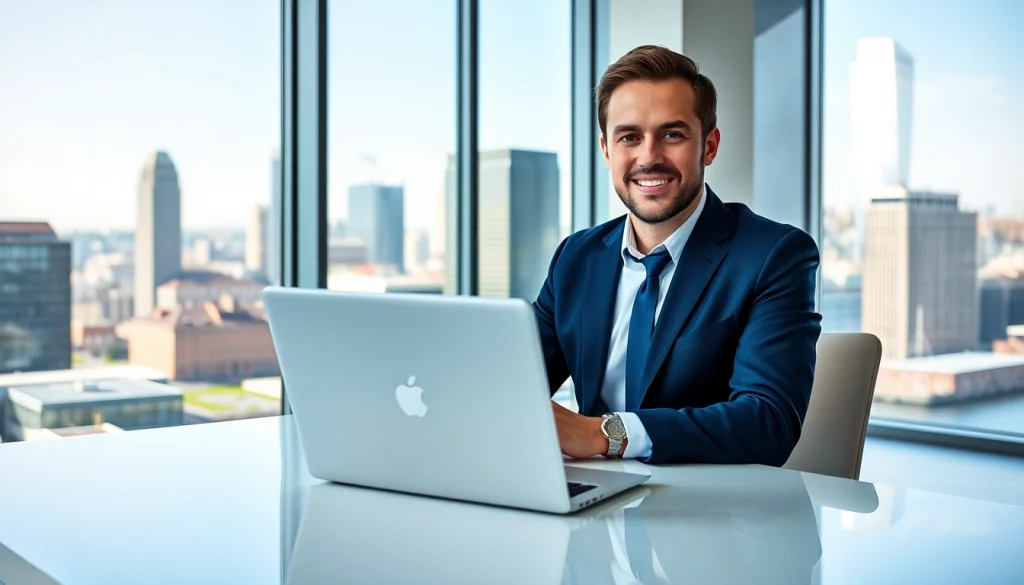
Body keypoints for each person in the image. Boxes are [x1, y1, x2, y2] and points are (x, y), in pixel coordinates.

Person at [533, 45, 822, 466]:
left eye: (672, 135)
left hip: (709, 516)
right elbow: (513, 384)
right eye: (629, 136)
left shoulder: (773, 256)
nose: (649, 157)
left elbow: (768, 422)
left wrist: (603, 434)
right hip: (591, 505)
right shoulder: (576, 257)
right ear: (607, 151)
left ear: (709, 146)